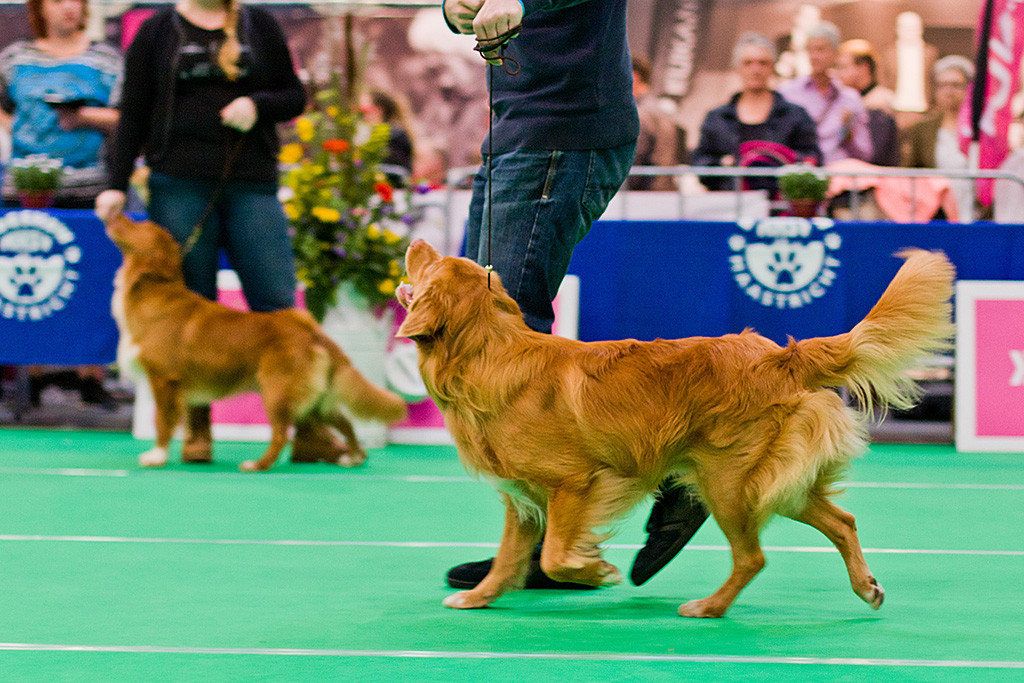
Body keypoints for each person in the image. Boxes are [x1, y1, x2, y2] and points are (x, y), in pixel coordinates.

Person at [441, 0, 708, 591]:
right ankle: (544, 542)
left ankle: (673, 470)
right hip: (519, 127)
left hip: (564, 128)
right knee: (493, 332)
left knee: (506, 332)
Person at [92, 0, 330, 462]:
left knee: (278, 304)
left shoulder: (258, 24)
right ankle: (196, 432)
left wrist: (257, 103)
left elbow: (294, 97)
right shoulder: (158, 29)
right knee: (185, 313)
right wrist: (116, 185)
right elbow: (133, 112)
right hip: (177, 183)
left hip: (253, 185)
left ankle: (308, 429)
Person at [0, 0, 123, 408]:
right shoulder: (16, 58)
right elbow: (4, 110)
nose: (69, 7)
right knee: (29, 276)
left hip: (91, 185)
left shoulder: (105, 59)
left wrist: (85, 116)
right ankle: (31, 375)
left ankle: (92, 376)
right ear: (39, 8)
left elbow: (128, 116)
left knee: (93, 279)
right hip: (25, 186)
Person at [691, 32, 821, 196]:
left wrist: (784, 162)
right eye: (748, 63)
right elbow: (701, 165)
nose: (755, 69)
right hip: (728, 207)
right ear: (736, 67)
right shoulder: (716, 118)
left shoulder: (795, 116)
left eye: (762, 63)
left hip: (781, 210)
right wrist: (724, 164)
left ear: (772, 66)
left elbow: (812, 158)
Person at [777, 21, 873, 165]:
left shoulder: (850, 98)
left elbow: (865, 153)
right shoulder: (788, 92)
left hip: (837, 177)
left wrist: (849, 134)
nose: (814, 56)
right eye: (810, 50)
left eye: (820, 49)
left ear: (835, 53)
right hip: (800, 174)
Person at [901, 55, 975, 220]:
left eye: (956, 85)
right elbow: (911, 170)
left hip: (975, 209)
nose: (949, 91)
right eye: (943, 85)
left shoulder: (981, 128)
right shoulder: (923, 129)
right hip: (936, 213)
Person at [836, 39, 899, 167]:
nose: (838, 74)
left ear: (864, 67)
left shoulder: (881, 102)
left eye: (843, 67)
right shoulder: (845, 99)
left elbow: (874, 154)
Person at [628, 56, 681, 191]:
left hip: (644, 198)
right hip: (664, 195)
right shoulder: (660, 111)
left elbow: (635, 160)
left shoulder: (639, 114)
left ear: (634, 77)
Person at [360, 89, 415, 186]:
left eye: (363, 107)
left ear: (378, 110)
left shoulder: (396, 136)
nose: (359, 111)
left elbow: (398, 171)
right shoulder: (362, 134)